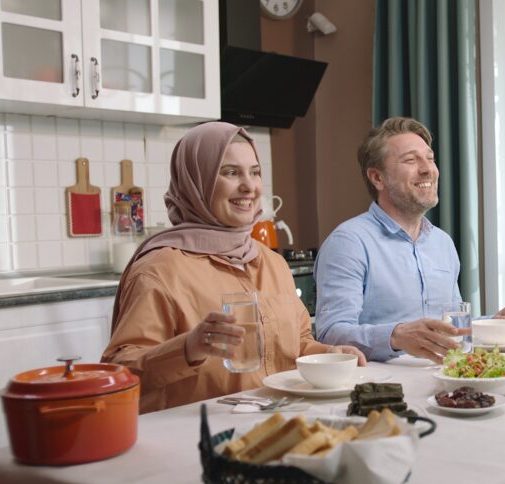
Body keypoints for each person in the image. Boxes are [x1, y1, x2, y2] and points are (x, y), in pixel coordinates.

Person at [103, 122, 365, 413]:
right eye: (230, 172)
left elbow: (297, 343)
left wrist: (329, 354)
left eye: (254, 172)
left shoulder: (271, 262)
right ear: (196, 182)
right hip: (195, 436)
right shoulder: (159, 268)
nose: (249, 186)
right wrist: (187, 348)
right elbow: (119, 373)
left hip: (274, 424)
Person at [315, 117, 505, 363]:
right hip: (382, 391)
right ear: (377, 178)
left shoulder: (442, 243)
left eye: (430, 158)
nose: (428, 169)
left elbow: (451, 327)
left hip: (447, 382)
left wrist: (497, 322)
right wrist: (395, 336)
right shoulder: (348, 242)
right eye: (411, 160)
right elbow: (329, 335)